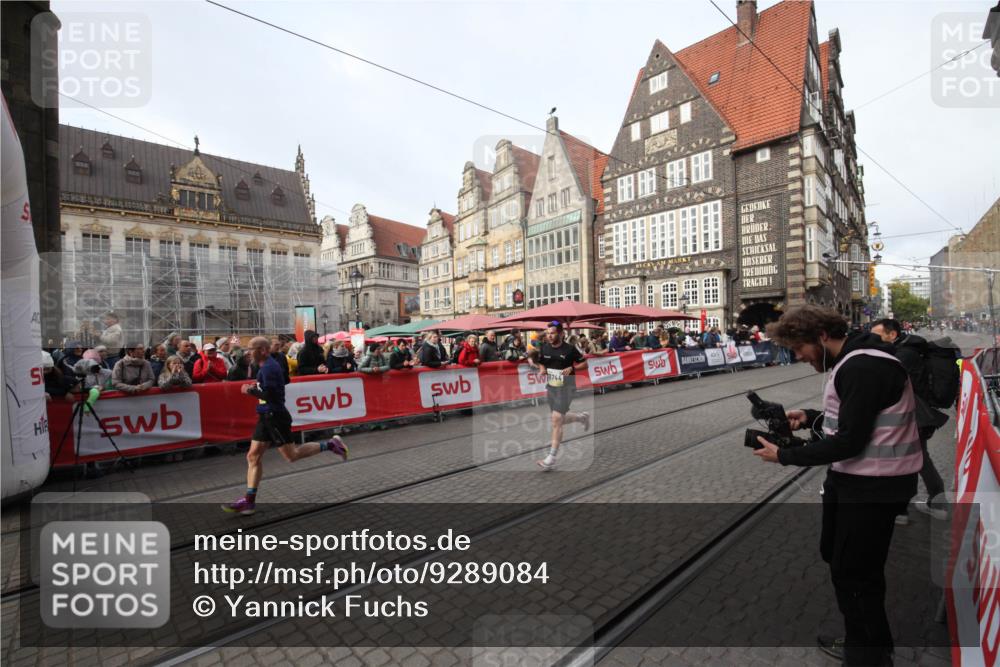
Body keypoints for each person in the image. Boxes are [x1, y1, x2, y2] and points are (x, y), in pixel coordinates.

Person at [752, 306, 921, 667]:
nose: (798, 356)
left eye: (800, 348)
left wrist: (785, 456)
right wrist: (812, 418)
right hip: (860, 482)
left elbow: (850, 442)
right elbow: (857, 419)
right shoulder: (856, 361)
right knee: (846, 564)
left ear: (822, 336)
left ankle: (867, 656)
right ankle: (868, 640)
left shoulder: (862, 365)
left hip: (872, 487)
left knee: (855, 575)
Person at [223, 337, 348, 515]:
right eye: (247, 349)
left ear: (263, 350)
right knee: (253, 456)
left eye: (251, 349)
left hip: (275, 416)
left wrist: (250, 390)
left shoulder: (269, 368)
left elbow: (271, 395)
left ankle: (331, 445)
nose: (248, 352)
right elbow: (277, 385)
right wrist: (257, 386)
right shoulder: (266, 366)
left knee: (292, 455)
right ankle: (249, 502)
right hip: (265, 415)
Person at [870, 318, 949, 521]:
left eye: (876, 335)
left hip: (910, 416)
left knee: (905, 461)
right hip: (917, 414)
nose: (872, 339)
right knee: (919, 459)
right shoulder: (909, 350)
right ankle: (935, 503)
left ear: (892, 335)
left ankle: (901, 510)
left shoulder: (901, 355)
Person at [529, 322, 592, 470]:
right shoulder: (544, 348)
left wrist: (572, 367)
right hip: (552, 386)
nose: (549, 336)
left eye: (552, 333)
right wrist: (542, 369)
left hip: (567, 387)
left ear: (561, 334)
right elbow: (541, 362)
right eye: (548, 333)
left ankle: (551, 458)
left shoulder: (570, 349)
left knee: (556, 419)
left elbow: (585, 364)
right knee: (560, 419)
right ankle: (582, 417)